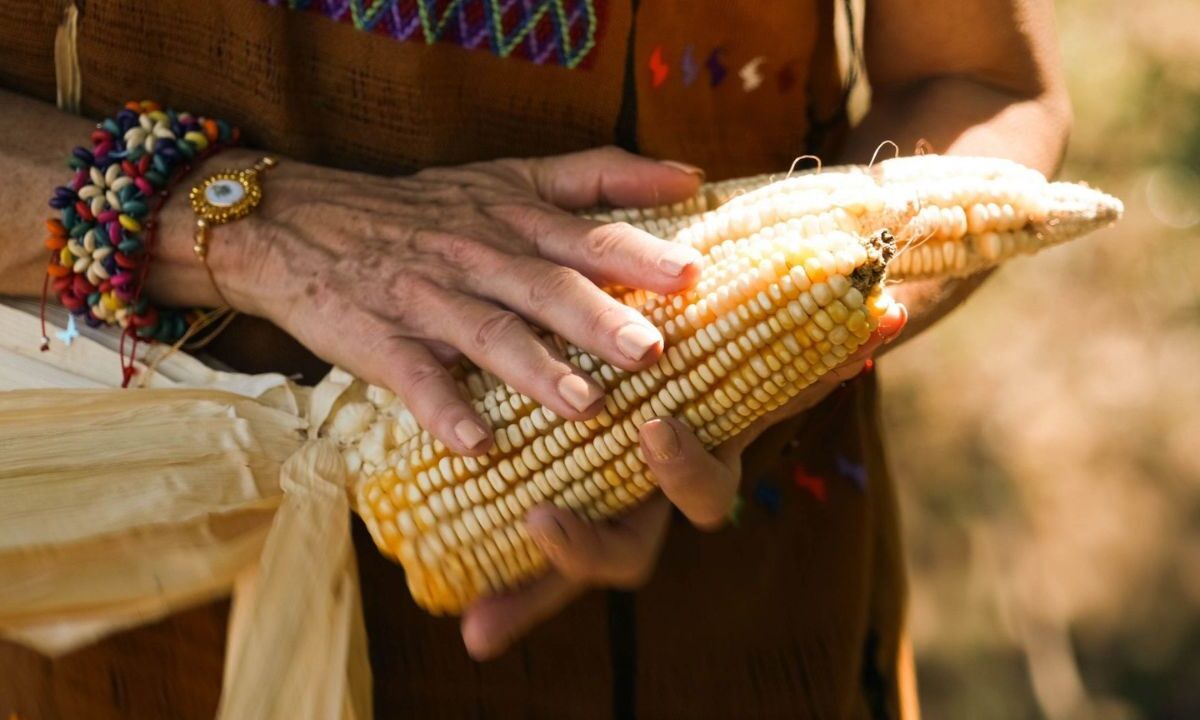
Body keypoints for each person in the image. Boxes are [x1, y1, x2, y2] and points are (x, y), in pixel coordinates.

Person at [0, 0, 1069, 717]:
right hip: (79, 579)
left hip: (705, 584)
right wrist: (241, 226)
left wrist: (746, 365)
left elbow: (979, 79)